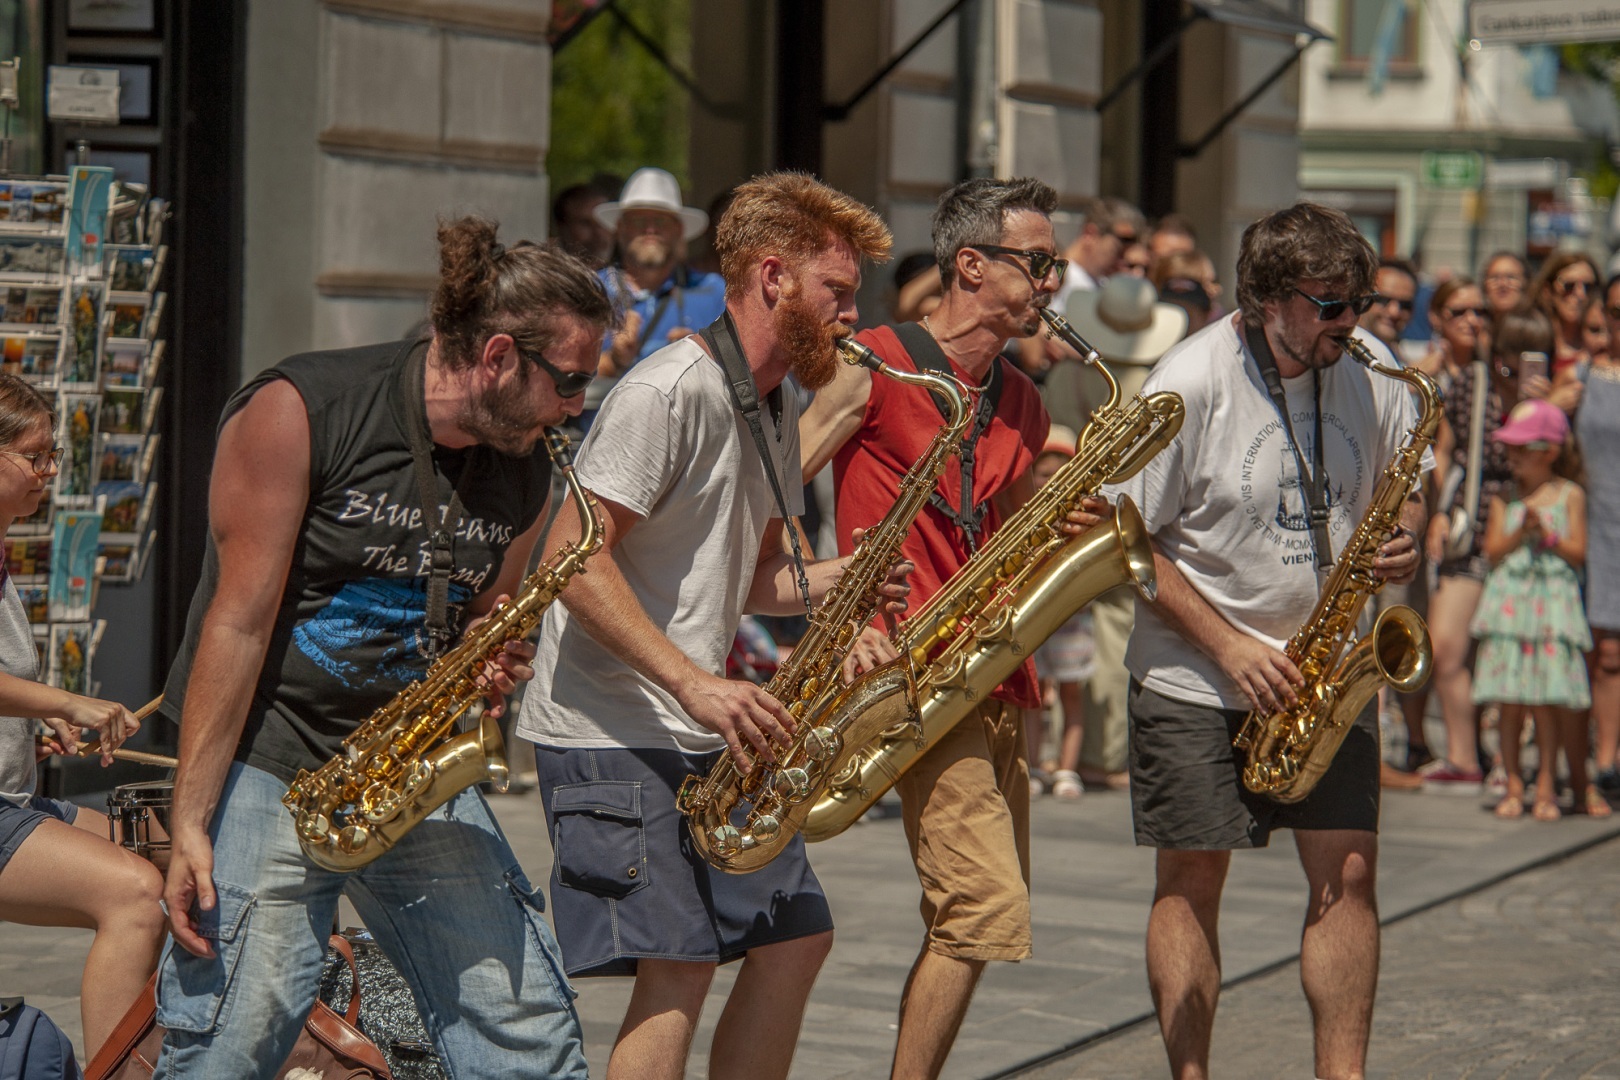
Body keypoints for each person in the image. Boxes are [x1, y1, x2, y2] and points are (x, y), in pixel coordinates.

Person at [155, 218, 611, 1078]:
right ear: (500, 355)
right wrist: (189, 821)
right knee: (235, 1034)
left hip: (407, 759)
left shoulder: (526, 460)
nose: (578, 406)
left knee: (527, 1033)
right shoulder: (301, 410)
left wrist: (488, 649)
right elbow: (237, 621)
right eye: (571, 381)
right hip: (270, 746)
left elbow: (488, 607)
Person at [517, 172, 901, 1080]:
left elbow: (759, 572)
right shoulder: (668, 391)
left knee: (795, 940)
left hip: (706, 725)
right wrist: (694, 679)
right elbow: (569, 557)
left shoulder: (774, 400)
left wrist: (846, 591)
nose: (852, 319)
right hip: (615, 728)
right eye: (836, 294)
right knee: (680, 966)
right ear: (772, 277)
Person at [1105, 202, 1427, 1080]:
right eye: (1329, 304)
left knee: (1350, 877)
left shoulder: (1372, 368)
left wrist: (1406, 533)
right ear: (1266, 301)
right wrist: (1230, 646)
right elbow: (1124, 541)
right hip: (1197, 680)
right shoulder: (1189, 380)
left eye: (1355, 300)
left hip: (1327, 675)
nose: (1350, 321)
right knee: (1191, 884)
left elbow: (1407, 488)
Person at [800, 175, 1098, 1080]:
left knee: (975, 920)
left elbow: (998, 534)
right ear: (971, 264)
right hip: (902, 666)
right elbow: (770, 489)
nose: (1053, 281)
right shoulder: (877, 359)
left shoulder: (1025, 402)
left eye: (1055, 263)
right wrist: (838, 610)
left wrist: (1054, 524)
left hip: (992, 671)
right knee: (981, 908)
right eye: (1038, 262)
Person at [0, 375, 162, 1060]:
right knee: (136, 894)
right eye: (33, 458)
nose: (47, 474)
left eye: (51, 457)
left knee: (164, 848)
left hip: (13, 797)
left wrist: (32, 731)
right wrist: (68, 701)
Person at [1049, 274, 1188, 792]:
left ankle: (1078, 749)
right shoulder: (1158, 381)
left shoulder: (1069, 378)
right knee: (1113, 632)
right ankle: (1104, 754)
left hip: (1070, 509)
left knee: (1075, 635)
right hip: (1130, 512)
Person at [1422, 308, 1557, 791]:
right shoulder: (1471, 384)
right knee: (1445, 647)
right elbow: (1445, 448)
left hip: (1528, 532)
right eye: (1506, 362)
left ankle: (1510, 763)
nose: (1513, 372)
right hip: (1471, 524)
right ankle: (1463, 756)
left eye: (1527, 361)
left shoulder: (1557, 396)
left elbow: (1569, 461)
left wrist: (1542, 410)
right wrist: (1437, 508)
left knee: (1514, 651)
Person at [1471, 400, 1602, 820]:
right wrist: (1517, 531)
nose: (1511, 458)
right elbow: (1491, 551)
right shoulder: (1503, 497)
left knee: (1546, 703)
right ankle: (1513, 783)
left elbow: (1578, 553)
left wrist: (1546, 536)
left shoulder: (1570, 495)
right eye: (1509, 449)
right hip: (1513, 611)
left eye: (1520, 449)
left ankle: (1546, 784)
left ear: (1548, 451)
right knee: (1509, 704)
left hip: (1549, 611)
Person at [587, 167, 729, 429]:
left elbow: (750, 376)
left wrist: (704, 358)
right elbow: (558, 380)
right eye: (639, 222)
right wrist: (614, 360)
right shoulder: (588, 291)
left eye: (661, 222)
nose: (650, 230)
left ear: (679, 231)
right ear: (619, 228)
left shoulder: (714, 293)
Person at [1025, 430, 1096, 802]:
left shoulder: (1085, 514)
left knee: (1071, 694)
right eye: (1043, 473)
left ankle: (1067, 769)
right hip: (1035, 617)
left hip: (1073, 617)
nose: (1051, 481)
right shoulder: (1024, 514)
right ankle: (1035, 766)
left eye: (1060, 473)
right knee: (1035, 696)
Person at [1585, 276, 1620, 798]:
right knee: (1607, 652)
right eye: (1616, 312)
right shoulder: (1580, 375)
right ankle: (1606, 761)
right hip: (1597, 527)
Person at [1528, 251, 1600, 376]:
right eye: (1569, 286)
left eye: (1588, 287)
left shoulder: (1603, 346)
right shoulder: (1531, 341)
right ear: (1547, 291)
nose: (1580, 294)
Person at [551, 175, 620, 268]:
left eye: (603, 222)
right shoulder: (549, 276)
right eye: (585, 223)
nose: (598, 233)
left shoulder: (631, 278)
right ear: (563, 228)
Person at [1360, 258, 1417, 349]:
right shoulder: (1339, 355)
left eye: (1405, 305)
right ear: (1362, 298)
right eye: (1383, 300)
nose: (1394, 312)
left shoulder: (1399, 359)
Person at [1481, 251, 1528, 323]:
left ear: (1524, 283)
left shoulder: (1536, 329)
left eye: (1511, 277)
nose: (1503, 284)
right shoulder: (1477, 327)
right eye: (1495, 277)